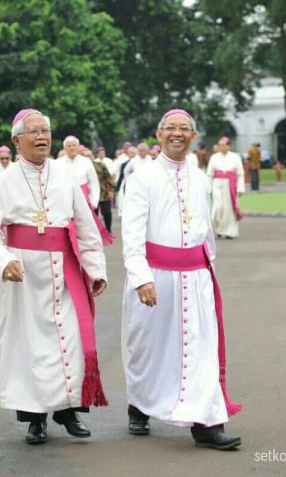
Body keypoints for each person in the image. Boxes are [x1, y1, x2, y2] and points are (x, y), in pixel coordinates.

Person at [0, 109, 108, 445]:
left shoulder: (65, 175)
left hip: (64, 274)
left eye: (45, 131)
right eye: (33, 131)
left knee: (69, 341)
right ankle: (35, 419)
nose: (41, 137)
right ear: (15, 140)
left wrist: (95, 269)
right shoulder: (2, 181)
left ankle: (68, 411)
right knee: (28, 348)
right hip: (23, 276)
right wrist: (2, 260)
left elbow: (85, 227)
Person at [121, 109, 242, 451]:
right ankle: (140, 404)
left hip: (196, 276)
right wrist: (141, 277)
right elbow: (131, 232)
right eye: (170, 128)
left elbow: (205, 232)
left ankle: (207, 424)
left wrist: (209, 269)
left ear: (193, 136)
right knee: (148, 349)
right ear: (158, 135)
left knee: (201, 347)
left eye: (184, 129)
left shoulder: (200, 176)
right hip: (155, 276)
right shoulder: (142, 176)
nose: (177, 134)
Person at [58, 135, 114, 245]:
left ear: (78, 147)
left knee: (87, 227)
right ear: (65, 148)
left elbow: (93, 183)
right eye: (69, 146)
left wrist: (94, 201)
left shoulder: (86, 162)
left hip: (84, 198)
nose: (72, 148)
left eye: (74, 145)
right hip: (66, 198)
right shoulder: (58, 163)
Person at [207, 137, 244, 239]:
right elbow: (209, 174)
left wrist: (240, 188)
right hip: (217, 184)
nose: (222, 147)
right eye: (220, 145)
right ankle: (219, 228)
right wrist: (208, 188)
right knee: (217, 208)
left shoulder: (235, 157)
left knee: (229, 209)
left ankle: (230, 232)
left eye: (224, 145)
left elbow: (240, 174)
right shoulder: (214, 157)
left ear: (228, 146)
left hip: (231, 185)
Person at [91, 150, 115, 233]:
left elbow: (108, 177)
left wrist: (111, 190)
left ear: (93, 157)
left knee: (107, 213)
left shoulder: (100, 165)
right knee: (94, 215)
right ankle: (95, 232)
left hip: (103, 193)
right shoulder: (81, 168)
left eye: (90, 156)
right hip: (91, 195)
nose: (88, 158)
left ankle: (108, 229)